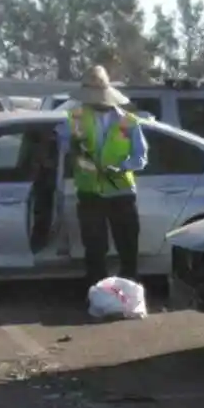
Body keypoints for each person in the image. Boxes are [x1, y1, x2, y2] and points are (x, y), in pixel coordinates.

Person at [60, 67, 149, 298]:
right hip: (90, 193)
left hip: (121, 192)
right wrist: (73, 148)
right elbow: (64, 147)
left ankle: (128, 295)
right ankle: (98, 295)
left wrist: (121, 167)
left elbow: (141, 158)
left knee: (127, 248)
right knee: (95, 249)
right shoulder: (76, 118)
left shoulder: (129, 122)